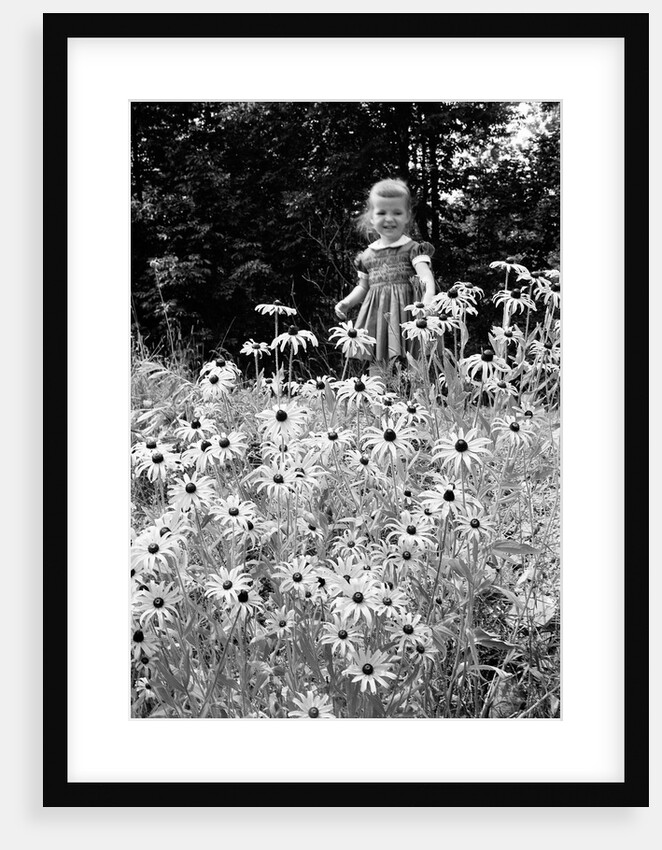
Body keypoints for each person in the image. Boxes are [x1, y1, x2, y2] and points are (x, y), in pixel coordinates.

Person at [335, 178, 436, 367]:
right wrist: (347, 303)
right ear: (371, 218)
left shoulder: (413, 249)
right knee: (378, 361)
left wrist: (428, 298)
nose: (389, 219)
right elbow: (363, 287)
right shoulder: (367, 255)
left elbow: (426, 278)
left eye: (397, 212)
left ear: (407, 216)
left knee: (415, 362)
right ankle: (379, 396)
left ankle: (416, 396)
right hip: (378, 317)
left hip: (409, 314)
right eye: (382, 213)